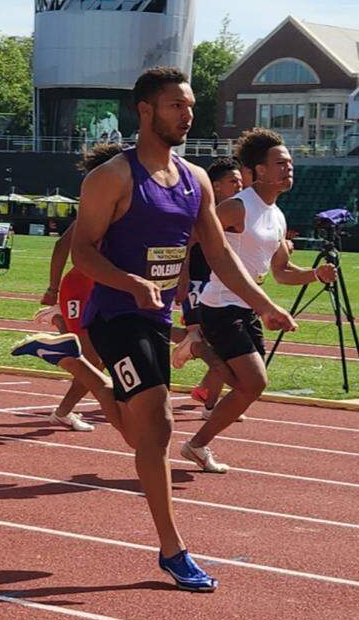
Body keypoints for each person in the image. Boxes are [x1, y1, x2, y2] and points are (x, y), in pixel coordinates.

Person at [68, 67, 296, 592]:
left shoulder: (195, 180)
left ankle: (74, 365)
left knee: (142, 431)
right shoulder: (113, 178)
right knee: (159, 424)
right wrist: (131, 283)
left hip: (156, 316)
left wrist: (262, 305)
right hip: (116, 313)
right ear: (145, 111)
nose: (187, 115)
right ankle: (173, 550)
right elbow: (82, 250)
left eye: (190, 106)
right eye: (175, 106)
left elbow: (217, 252)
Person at [181, 128, 336, 473]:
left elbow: (281, 272)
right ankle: (197, 349)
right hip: (220, 305)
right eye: (280, 163)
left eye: (291, 163)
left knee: (247, 389)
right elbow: (193, 233)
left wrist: (315, 275)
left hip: (249, 307)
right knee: (254, 382)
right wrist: (178, 278)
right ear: (260, 170)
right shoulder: (237, 207)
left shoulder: (278, 216)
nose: (289, 168)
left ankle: (196, 444)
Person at [14, 143, 125, 433]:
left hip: (104, 286)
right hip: (81, 286)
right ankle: (54, 343)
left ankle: (61, 327)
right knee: (93, 358)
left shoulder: (122, 204)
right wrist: (52, 288)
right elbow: (62, 244)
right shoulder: (97, 205)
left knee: (102, 356)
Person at [172, 157, 244, 417]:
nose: (239, 185)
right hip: (198, 283)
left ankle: (205, 388)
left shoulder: (239, 212)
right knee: (217, 343)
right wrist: (183, 279)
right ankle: (210, 402)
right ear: (215, 186)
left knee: (218, 341)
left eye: (240, 181)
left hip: (222, 287)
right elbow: (186, 245)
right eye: (232, 181)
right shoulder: (204, 214)